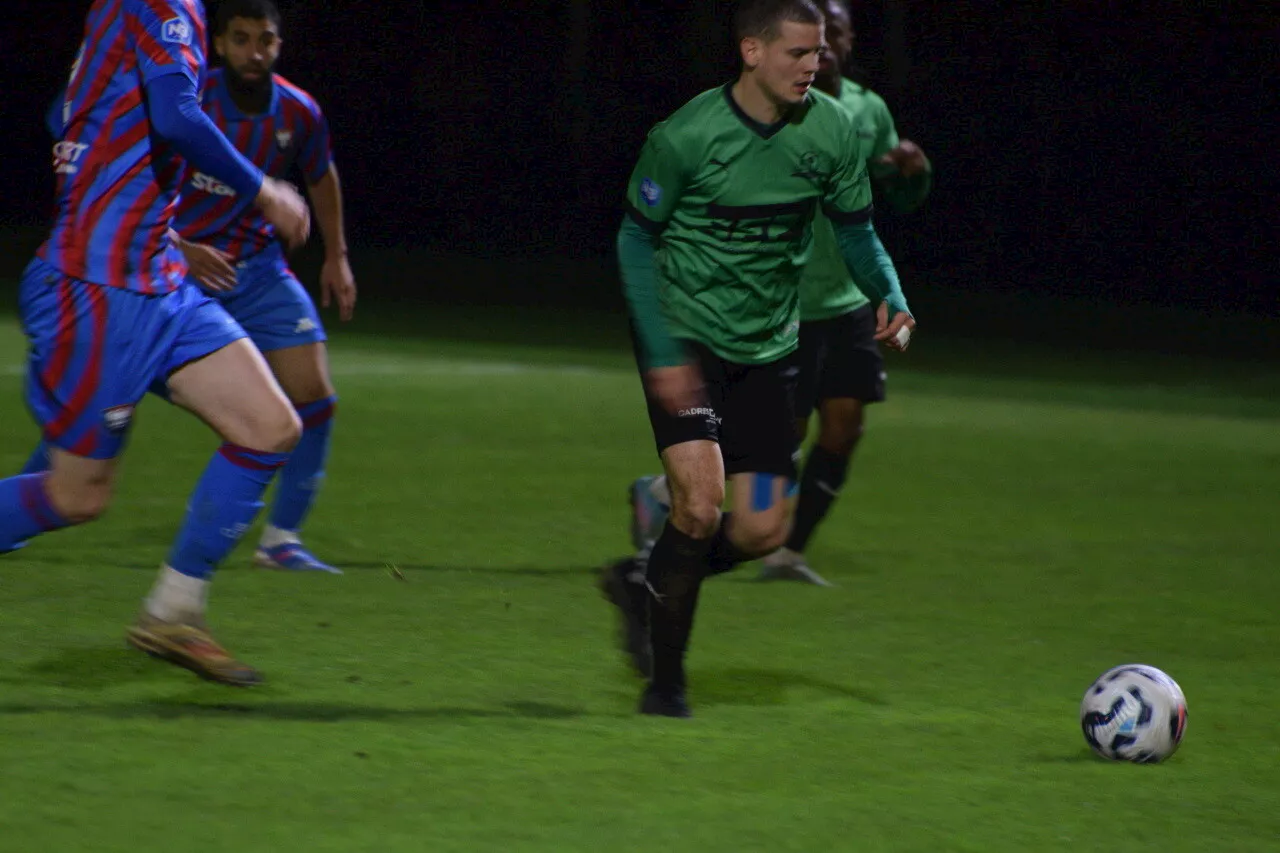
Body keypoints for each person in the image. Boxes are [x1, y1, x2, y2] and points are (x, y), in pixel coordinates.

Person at [604, 0, 916, 717]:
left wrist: (890, 294)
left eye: (818, 53)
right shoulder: (686, 136)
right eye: (797, 53)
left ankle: (639, 579)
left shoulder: (834, 132)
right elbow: (633, 239)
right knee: (699, 503)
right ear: (751, 52)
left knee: (759, 530)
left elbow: (858, 232)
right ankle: (667, 687)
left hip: (774, 348)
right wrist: (659, 352)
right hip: (686, 338)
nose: (814, 64)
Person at [2, 0, 311, 686]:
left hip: (159, 283)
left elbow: (65, 117)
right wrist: (262, 188)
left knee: (268, 425)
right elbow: (173, 116)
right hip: (96, 292)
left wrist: (148, 221)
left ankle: (174, 612)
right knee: (76, 496)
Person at [171, 0, 356, 574]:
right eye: (243, 39)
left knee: (316, 399)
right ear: (219, 44)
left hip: (259, 271)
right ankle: (37, 500)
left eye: (266, 40)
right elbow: (136, 188)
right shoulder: (185, 103)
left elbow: (322, 177)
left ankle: (281, 542)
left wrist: (337, 256)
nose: (255, 52)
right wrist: (179, 248)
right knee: (107, 401)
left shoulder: (298, 110)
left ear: (279, 46)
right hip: (178, 272)